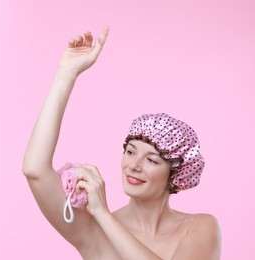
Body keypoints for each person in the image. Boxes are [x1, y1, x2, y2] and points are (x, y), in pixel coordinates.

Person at [22, 27, 221, 260]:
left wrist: (103, 214)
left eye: (151, 160)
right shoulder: (92, 231)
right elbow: (34, 170)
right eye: (130, 151)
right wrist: (66, 74)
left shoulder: (200, 227)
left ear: (176, 173)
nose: (134, 165)